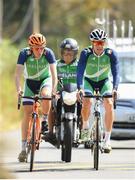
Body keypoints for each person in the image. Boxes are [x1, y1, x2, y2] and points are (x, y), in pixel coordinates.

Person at [15, 33, 58, 162]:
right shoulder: (24, 54)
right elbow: (17, 75)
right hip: (30, 82)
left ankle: (44, 120)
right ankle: (23, 148)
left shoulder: (48, 53)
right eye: (36, 48)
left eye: (41, 47)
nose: (39, 50)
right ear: (30, 47)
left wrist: (53, 90)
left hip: (45, 80)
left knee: (46, 95)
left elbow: (54, 75)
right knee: (27, 113)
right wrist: (19, 90)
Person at [77, 28, 119, 153]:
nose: (100, 45)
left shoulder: (111, 54)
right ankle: (85, 127)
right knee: (87, 102)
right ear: (92, 43)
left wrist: (115, 88)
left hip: (104, 81)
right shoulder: (86, 53)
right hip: (89, 81)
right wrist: (80, 88)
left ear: (105, 43)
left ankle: (107, 140)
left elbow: (116, 72)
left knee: (109, 104)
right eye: (97, 42)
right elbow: (79, 71)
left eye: (102, 42)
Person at [43, 38, 79, 146]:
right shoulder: (56, 64)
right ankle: (50, 131)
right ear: (61, 53)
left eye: (70, 53)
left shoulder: (79, 65)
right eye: (65, 52)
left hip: (75, 93)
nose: (67, 55)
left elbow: (85, 79)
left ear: (75, 53)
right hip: (59, 93)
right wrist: (53, 92)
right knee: (51, 105)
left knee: (84, 105)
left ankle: (81, 129)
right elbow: (49, 78)